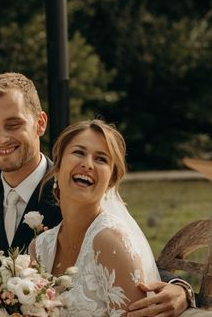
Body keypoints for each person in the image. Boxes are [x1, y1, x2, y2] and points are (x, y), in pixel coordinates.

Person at [0, 73, 193, 317]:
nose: (2, 138)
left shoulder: (78, 191)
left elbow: (124, 252)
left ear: (40, 123)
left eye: (13, 124)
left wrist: (180, 288)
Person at [30, 119, 163, 315]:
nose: (87, 164)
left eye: (101, 159)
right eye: (79, 152)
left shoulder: (111, 242)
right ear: (57, 167)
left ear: (110, 181)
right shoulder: (39, 248)